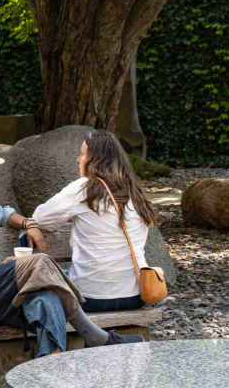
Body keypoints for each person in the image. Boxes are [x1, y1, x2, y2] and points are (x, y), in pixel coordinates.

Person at [0, 150, 143, 358]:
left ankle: (52, 367)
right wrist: (1, 270)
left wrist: (29, 223)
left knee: (46, 295)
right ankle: (96, 337)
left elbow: (4, 213)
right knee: (39, 263)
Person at [30, 130, 160, 312]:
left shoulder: (84, 188)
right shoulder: (135, 192)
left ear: (96, 159)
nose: (78, 160)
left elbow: (40, 218)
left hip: (92, 297)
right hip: (137, 294)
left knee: (40, 288)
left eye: (83, 155)